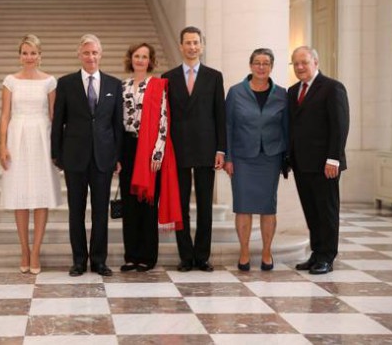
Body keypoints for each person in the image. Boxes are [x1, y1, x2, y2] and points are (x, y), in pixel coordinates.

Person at [51, 34, 123, 277]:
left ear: (101, 55)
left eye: (94, 52)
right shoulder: (66, 83)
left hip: (103, 157)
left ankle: (99, 261)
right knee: (76, 211)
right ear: (79, 55)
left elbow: (117, 125)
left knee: (101, 212)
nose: (90, 57)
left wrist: (118, 156)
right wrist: (56, 154)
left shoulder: (114, 84)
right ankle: (79, 260)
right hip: (74, 157)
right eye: (86, 53)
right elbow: (58, 121)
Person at [161, 26, 226, 272]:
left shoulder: (214, 76)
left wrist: (221, 149)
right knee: (181, 206)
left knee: (205, 206)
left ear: (202, 46)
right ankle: (185, 256)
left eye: (196, 42)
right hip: (177, 150)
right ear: (180, 46)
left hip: (206, 149)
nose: (192, 47)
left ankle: (202, 256)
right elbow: (164, 117)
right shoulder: (167, 77)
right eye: (187, 43)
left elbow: (220, 115)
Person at [0, 34, 62, 275]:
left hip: (42, 139)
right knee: (20, 196)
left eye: (33, 53)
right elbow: (5, 115)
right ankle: (23, 248)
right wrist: (2, 145)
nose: (29, 57)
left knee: (40, 196)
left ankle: (36, 250)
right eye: (25, 52)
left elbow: (55, 116)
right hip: (17, 137)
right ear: (20, 55)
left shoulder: (49, 81)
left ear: (39, 55)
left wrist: (57, 148)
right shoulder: (10, 81)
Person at [119, 42, 181, 272]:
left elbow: (164, 120)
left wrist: (158, 152)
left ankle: (147, 256)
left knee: (147, 204)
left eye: (145, 56)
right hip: (127, 148)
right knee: (129, 204)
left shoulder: (158, 85)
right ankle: (131, 256)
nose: (140, 60)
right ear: (131, 58)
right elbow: (117, 122)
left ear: (150, 60)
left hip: (149, 150)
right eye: (137, 56)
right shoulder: (122, 86)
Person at [224, 48, 288, 272]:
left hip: (270, 157)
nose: (261, 67)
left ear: (272, 67)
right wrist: (228, 158)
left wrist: (286, 160)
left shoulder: (282, 94)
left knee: (268, 207)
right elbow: (228, 126)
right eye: (257, 62)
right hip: (242, 158)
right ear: (250, 65)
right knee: (243, 206)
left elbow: (286, 128)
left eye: (266, 63)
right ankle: (244, 252)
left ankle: (267, 252)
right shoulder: (235, 92)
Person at [289, 46, 349, 275]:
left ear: (315, 61)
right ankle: (316, 253)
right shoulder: (293, 91)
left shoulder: (332, 88)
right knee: (311, 210)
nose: (300, 67)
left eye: (304, 62)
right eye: (296, 64)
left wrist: (334, 158)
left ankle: (327, 256)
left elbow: (340, 125)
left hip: (326, 164)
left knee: (327, 211)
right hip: (301, 163)